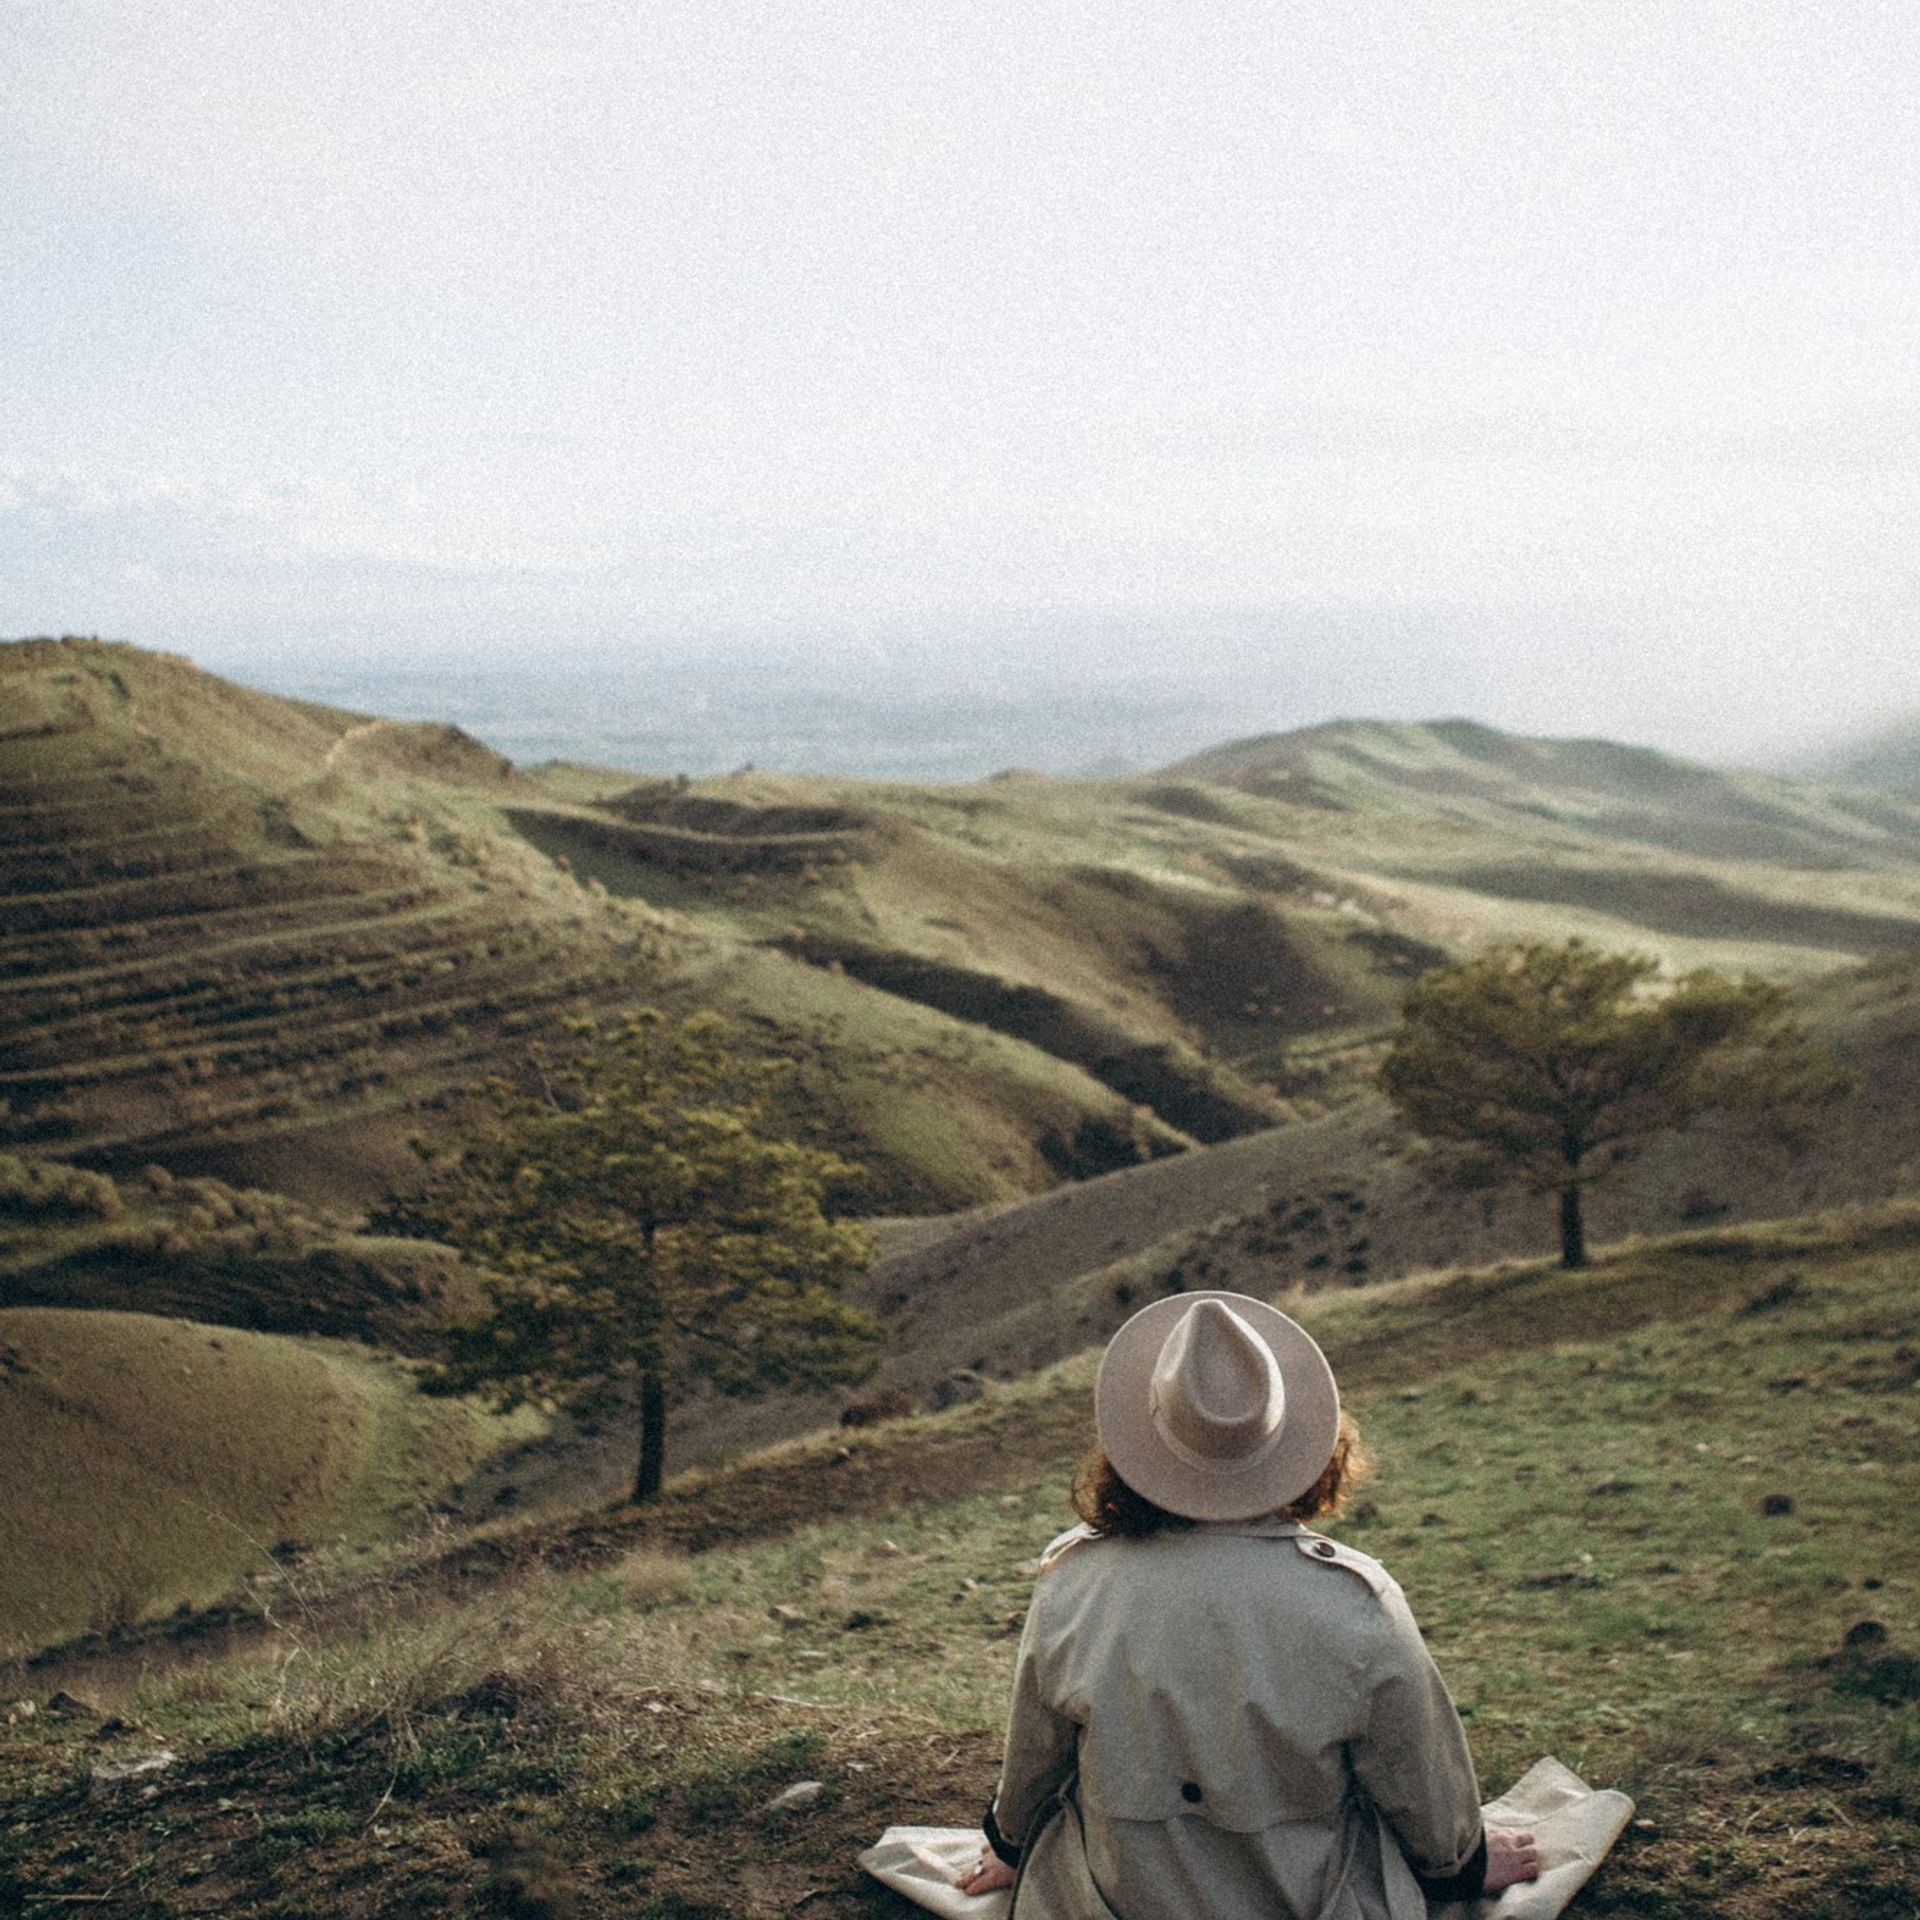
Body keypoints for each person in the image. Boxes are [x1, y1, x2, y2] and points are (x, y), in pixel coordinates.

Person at [957, 1290, 1539, 1919]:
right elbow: (1416, 1776)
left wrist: (1011, 1845)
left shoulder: (1072, 1582)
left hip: (1118, 1903)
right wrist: (1463, 1866)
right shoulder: (1357, 1603)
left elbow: (1036, 1755)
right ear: (1300, 1439)